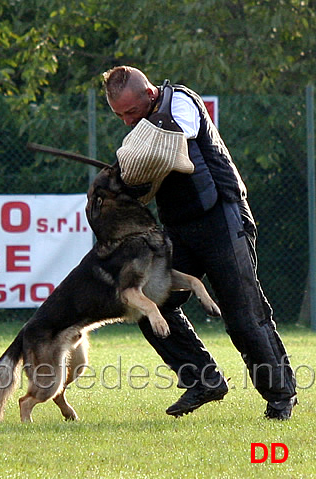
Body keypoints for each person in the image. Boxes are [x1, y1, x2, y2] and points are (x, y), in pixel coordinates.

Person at [101, 65, 297, 420]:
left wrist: (127, 163)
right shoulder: (142, 127)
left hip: (223, 217)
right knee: (149, 308)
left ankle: (280, 396)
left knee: (242, 315)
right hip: (180, 230)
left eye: (130, 112)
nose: (128, 121)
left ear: (149, 94)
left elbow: (172, 142)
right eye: (120, 115)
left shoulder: (181, 102)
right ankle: (203, 380)